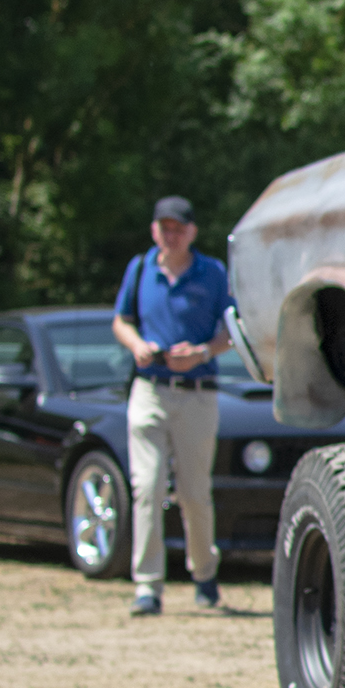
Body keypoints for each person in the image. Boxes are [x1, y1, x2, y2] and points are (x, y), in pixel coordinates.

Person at [111, 197, 235, 615]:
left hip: (198, 392)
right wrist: (138, 346)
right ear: (154, 231)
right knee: (146, 488)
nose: (172, 234)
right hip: (149, 390)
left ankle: (204, 574)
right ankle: (148, 586)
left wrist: (200, 352)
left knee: (194, 492)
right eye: (164, 227)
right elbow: (121, 320)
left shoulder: (213, 272)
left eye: (179, 227)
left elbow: (234, 330)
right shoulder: (141, 268)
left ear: (192, 232)